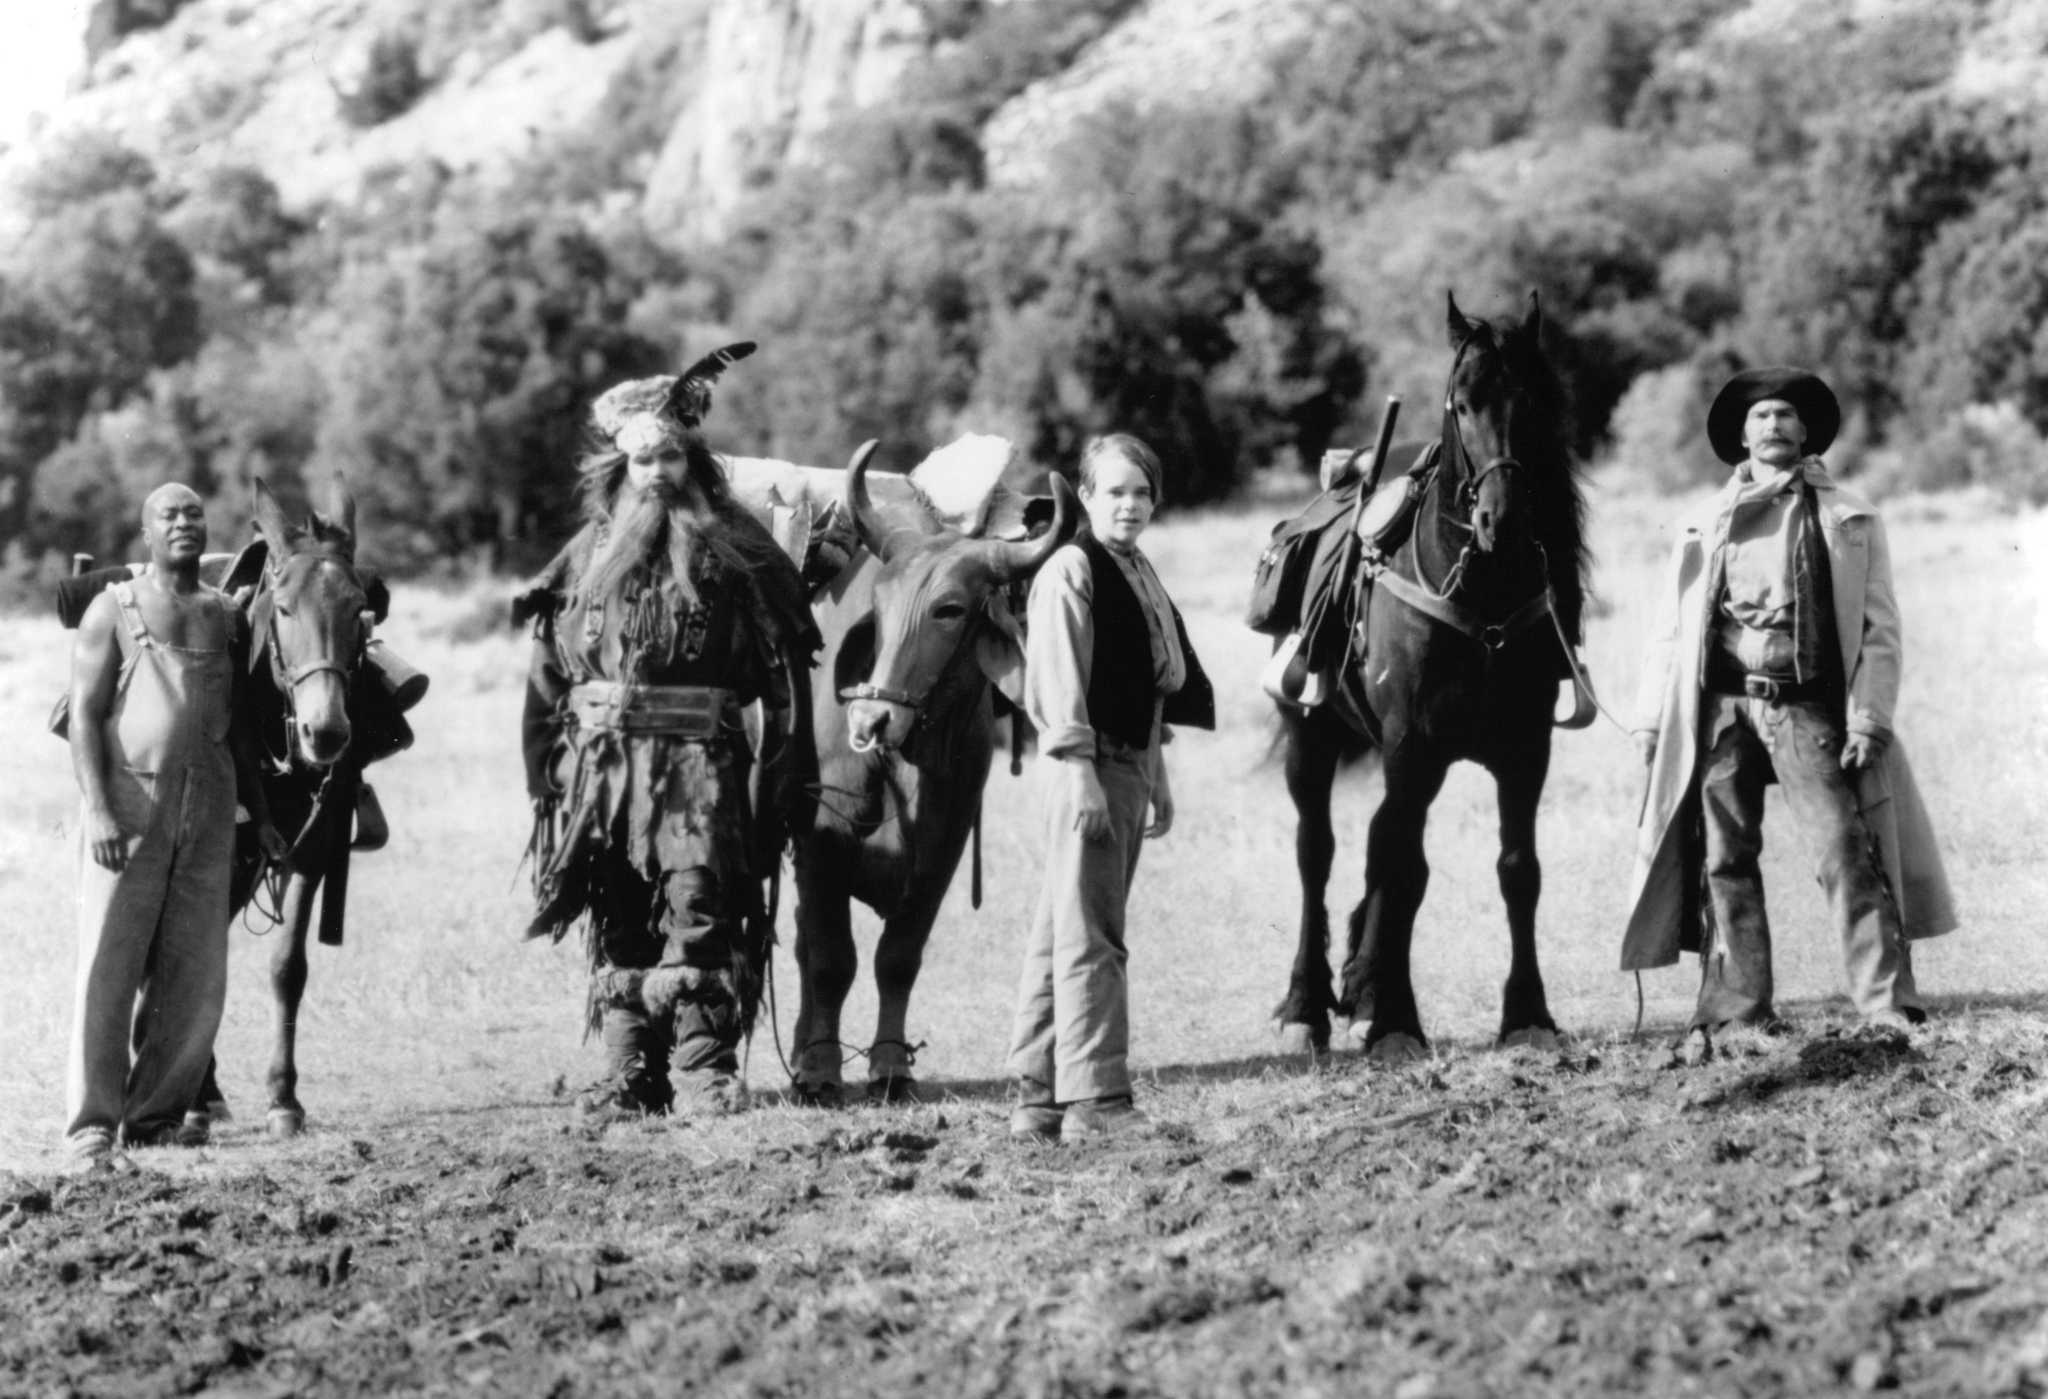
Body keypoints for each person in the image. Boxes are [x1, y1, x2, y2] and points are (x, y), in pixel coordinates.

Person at [1621, 367, 1957, 1062]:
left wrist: (1869, 718)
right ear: (1741, 435)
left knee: (1844, 849)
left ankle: (1886, 1004)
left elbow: (1880, 629)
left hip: (1803, 704)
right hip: (1721, 710)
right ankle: (1737, 1009)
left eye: (1785, 416)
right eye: (1760, 416)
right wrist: (1652, 718)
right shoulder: (1703, 523)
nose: (1773, 425)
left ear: (1805, 432)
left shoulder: (1846, 519)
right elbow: (1670, 627)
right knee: (1723, 858)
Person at [517, 359, 819, 1120]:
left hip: (701, 768)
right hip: (606, 771)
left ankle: (701, 1069)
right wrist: (545, 770)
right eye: (643, 457)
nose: (656, 471)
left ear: (694, 461)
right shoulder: (585, 554)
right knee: (618, 907)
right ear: (623, 462)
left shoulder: (735, 549)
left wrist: (781, 770)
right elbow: (547, 673)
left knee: (698, 903)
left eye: (670, 455)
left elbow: (784, 672)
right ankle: (629, 1072)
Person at [65, 484, 285, 1159]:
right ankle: (93, 1126)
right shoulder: (114, 609)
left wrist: (265, 817)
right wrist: (99, 809)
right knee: (109, 962)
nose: (185, 523)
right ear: (146, 533)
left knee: (195, 969)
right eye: (170, 515)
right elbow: (84, 717)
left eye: (194, 513)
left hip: (212, 801)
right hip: (132, 804)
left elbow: (243, 732)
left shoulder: (226, 615)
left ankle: (157, 1116)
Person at [1007, 434, 1213, 1141]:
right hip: (1088, 770)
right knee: (1097, 934)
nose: (1129, 504)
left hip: (1128, 764)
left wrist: (1156, 774)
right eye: (1114, 491)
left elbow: (1151, 682)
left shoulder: (1133, 567)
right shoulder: (1073, 566)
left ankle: (1038, 1096)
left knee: (1062, 927)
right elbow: (1059, 680)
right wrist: (1080, 770)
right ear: (1086, 496)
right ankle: (1098, 1103)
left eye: (1142, 492)